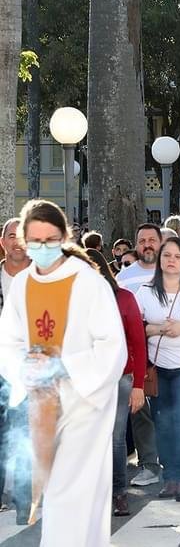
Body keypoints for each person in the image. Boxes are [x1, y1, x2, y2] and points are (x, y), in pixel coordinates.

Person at [0, 199, 126, 545]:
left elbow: (112, 346)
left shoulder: (88, 282)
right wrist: (25, 367)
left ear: (65, 236)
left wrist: (63, 365)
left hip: (83, 403)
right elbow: (7, 343)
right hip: (42, 403)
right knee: (69, 494)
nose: (43, 247)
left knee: (66, 493)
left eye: (50, 239)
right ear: (24, 240)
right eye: (35, 240)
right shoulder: (23, 284)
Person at [134, 236, 180, 502]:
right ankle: (170, 477)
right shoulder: (145, 292)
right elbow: (136, 328)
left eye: (177, 256)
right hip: (158, 368)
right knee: (163, 424)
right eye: (167, 256)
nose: (171, 261)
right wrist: (157, 329)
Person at [85, 248, 147, 517]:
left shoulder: (124, 298)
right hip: (84, 380)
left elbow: (138, 342)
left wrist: (139, 386)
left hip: (121, 378)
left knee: (115, 437)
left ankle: (119, 493)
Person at [117, 223, 163, 488]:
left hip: (171, 352)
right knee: (140, 409)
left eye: (152, 239)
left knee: (169, 410)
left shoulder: (173, 268)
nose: (147, 244)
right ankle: (148, 463)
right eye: (142, 240)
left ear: (161, 242)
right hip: (136, 352)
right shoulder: (125, 276)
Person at [0, 218, 32, 523]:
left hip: (31, 370)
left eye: (22, 236)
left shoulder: (44, 277)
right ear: (3, 242)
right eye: (11, 236)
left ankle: (24, 502)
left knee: (24, 434)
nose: (16, 242)